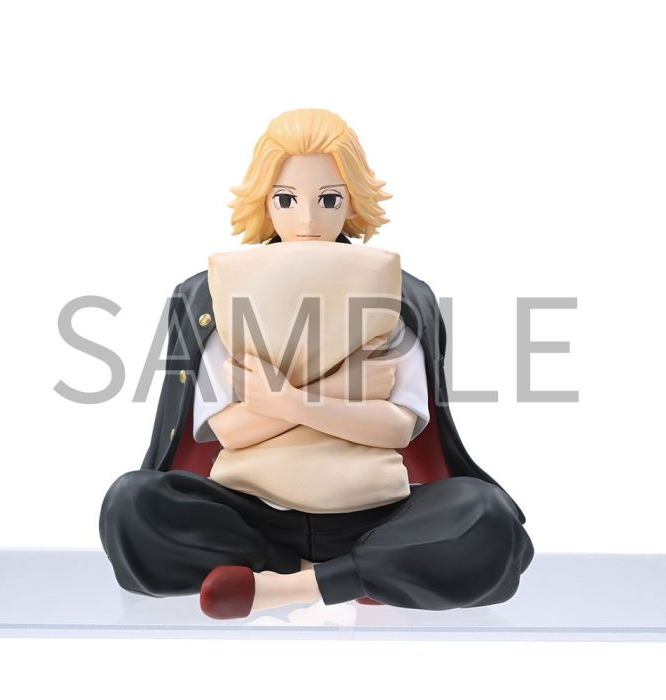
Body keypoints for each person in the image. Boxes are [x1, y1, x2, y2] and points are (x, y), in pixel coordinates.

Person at [99, 108, 534, 619]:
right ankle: (360, 574)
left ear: (352, 202)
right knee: (132, 505)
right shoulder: (220, 294)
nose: (307, 220)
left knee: (485, 519)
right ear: (265, 203)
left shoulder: (395, 294)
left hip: (375, 514)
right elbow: (229, 430)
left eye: (328, 200)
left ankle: (283, 587)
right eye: (287, 199)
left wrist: (283, 398)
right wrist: (347, 388)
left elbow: (397, 428)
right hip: (251, 512)